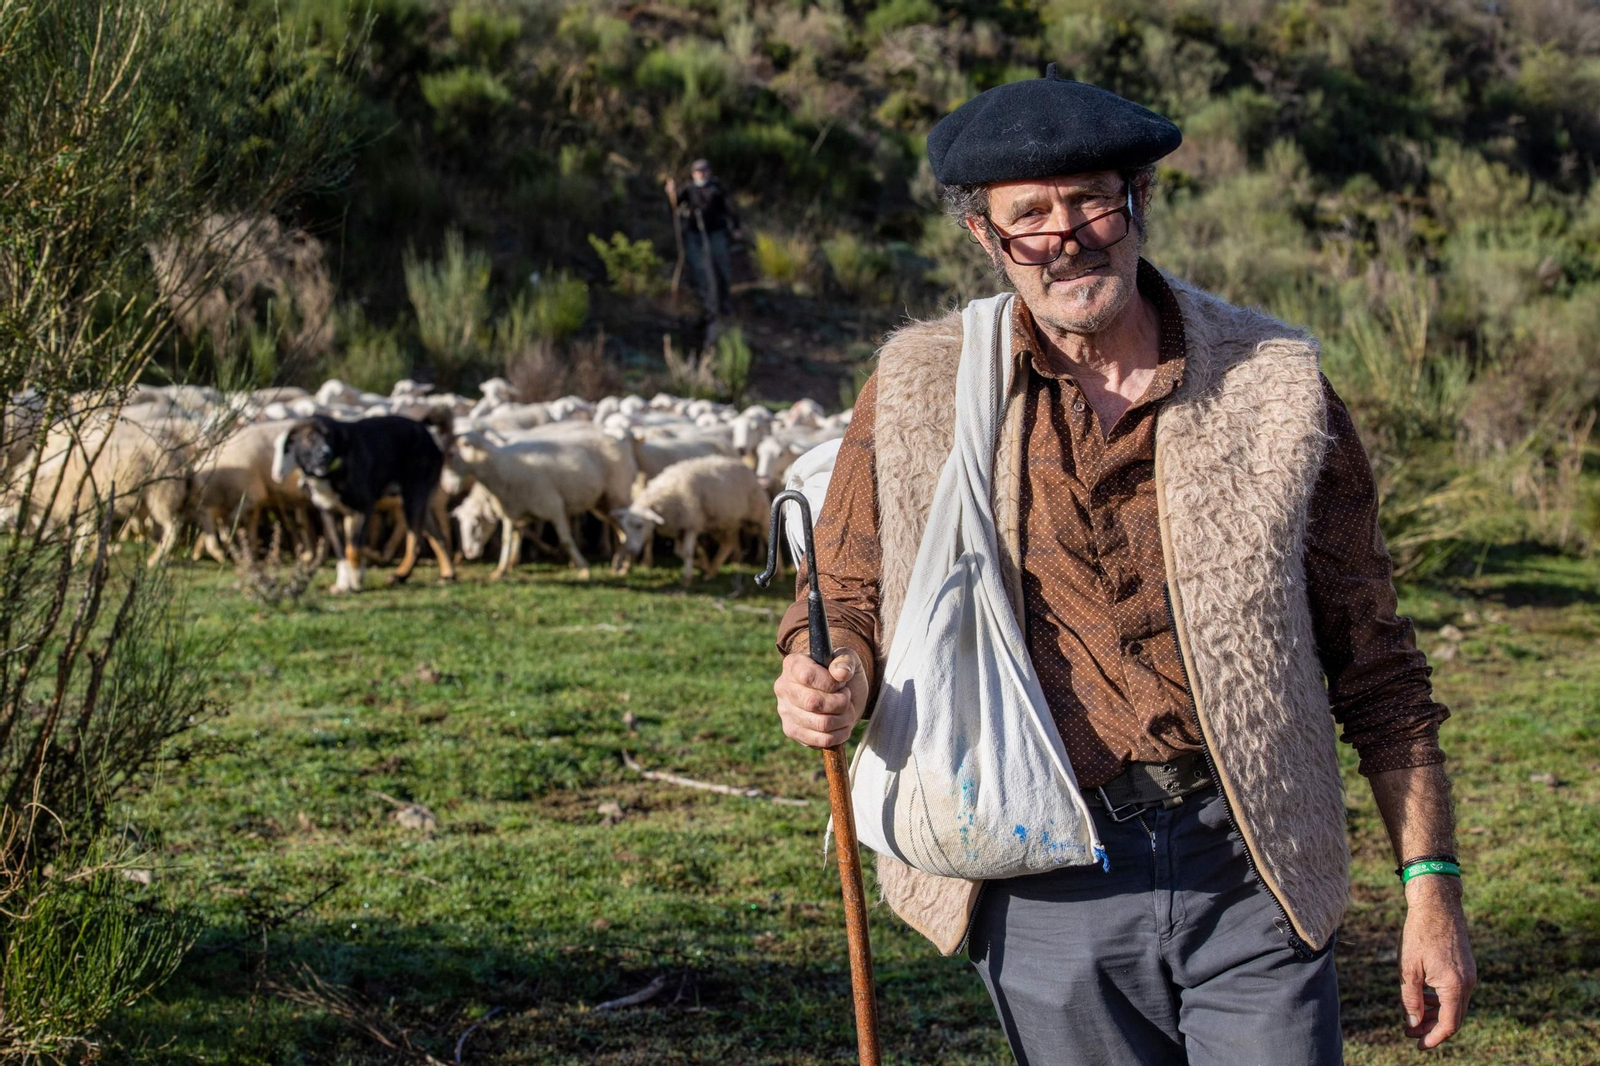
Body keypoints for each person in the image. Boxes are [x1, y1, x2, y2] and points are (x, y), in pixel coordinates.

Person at [771, 65, 1475, 1065]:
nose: (1067, 238)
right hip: (1038, 872)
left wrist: (1431, 888)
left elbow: (1378, 663)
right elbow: (841, 587)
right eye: (1030, 217)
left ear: (1137, 202)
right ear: (986, 236)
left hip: (1251, 862)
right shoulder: (921, 383)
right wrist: (819, 667)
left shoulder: (1272, 382)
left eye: (1092, 201)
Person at [671, 159, 742, 318]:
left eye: (704, 170)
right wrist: (671, 192)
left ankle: (723, 302)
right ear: (693, 174)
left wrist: (736, 227)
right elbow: (675, 202)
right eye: (698, 171)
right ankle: (703, 304)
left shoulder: (717, 188)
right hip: (694, 234)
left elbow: (731, 207)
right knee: (699, 269)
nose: (701, 173)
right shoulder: (689, 189)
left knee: (721, 267)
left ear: (709, 171)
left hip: (716, 233)